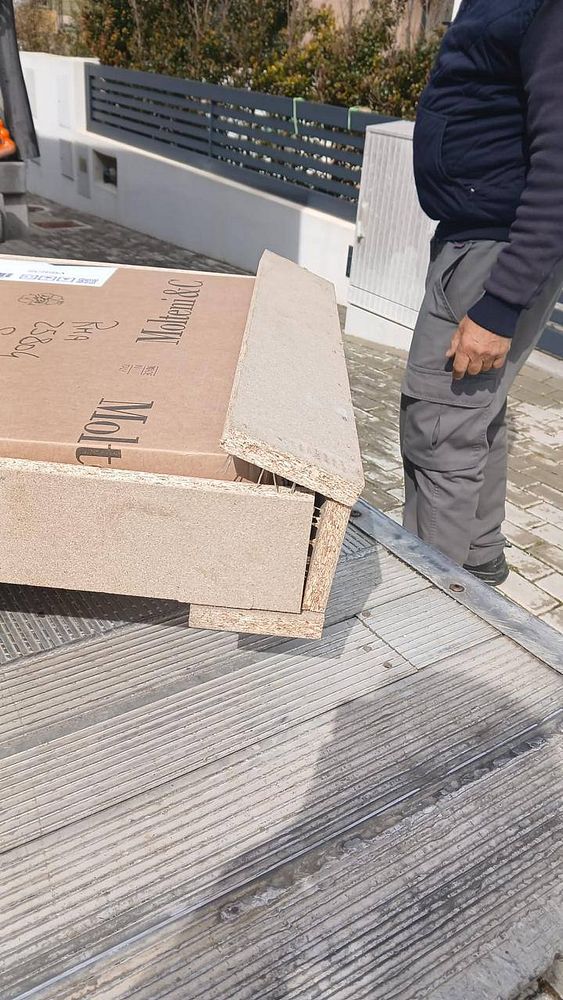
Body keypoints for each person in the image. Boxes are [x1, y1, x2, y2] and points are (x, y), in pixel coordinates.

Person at [401, 0, 563, 585]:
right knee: (474, 417)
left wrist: (499, 303)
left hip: (494, 255)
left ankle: (424, 605)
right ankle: (477, 562)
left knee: (439, 429)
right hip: (478, 241)